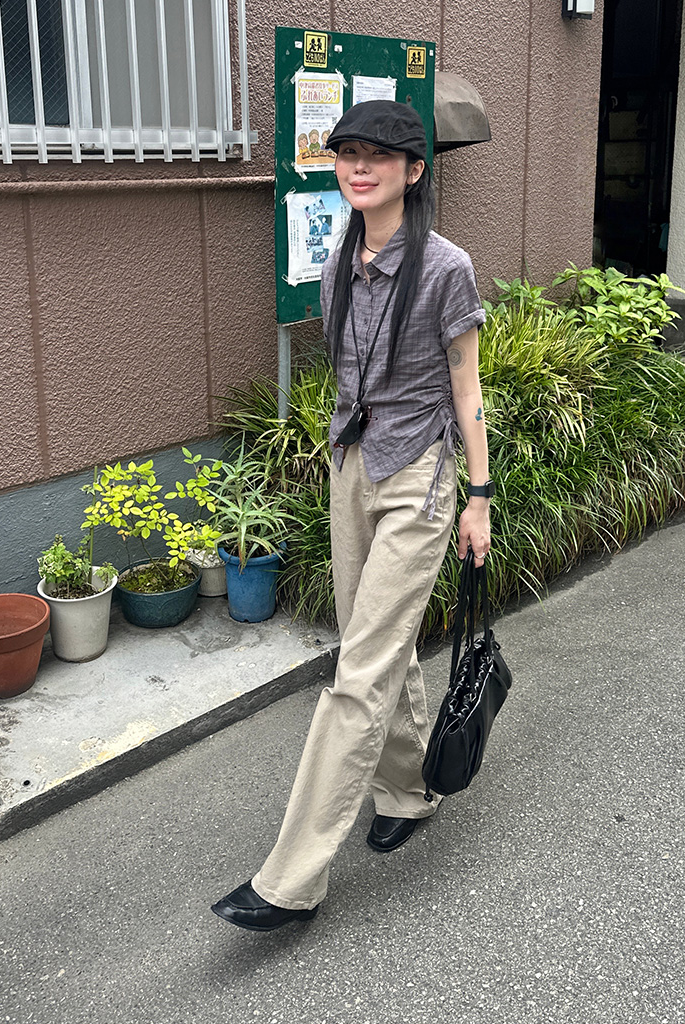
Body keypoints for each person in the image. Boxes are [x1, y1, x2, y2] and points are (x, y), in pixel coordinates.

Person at [212, 100, 492, 932]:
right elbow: (346, 374)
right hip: (353, 465)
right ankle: (407, 791)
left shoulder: (445, 267)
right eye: (347, 153)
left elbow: (468, 391)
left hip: (419, 476)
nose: (359, 167)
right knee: (375, 639)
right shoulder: (339, 261)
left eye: (378, 155)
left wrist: (479, 496)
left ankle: (291, 880)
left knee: (359, 671)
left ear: (414, 170)